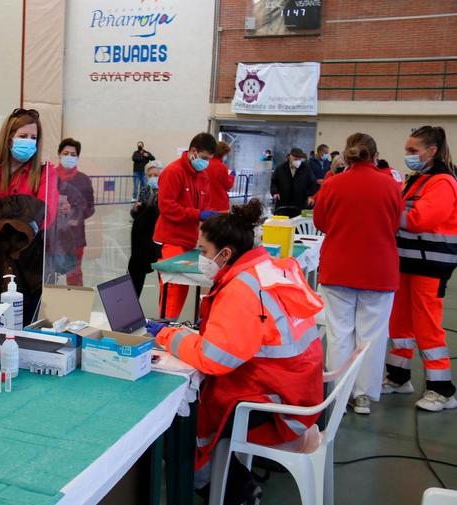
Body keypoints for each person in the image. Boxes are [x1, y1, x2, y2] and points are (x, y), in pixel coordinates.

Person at [149, 199, 323, 503]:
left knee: (179, 421)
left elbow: (214, 359)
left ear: (225, 253)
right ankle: (232, 481)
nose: (201, 258)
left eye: (203, 251)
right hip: (298, 391)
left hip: (272, 405)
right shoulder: (266, 268)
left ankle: (230, 491)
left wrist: (167, 335)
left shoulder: (241, 288)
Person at [313, 133, 402, 415]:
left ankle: (339, 393)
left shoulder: (332, 184)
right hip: (379, 269)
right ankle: (363, 395)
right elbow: (395, 224)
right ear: (375, 156)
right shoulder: (391, 185)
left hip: (338, 268)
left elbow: (320, 222)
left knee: (339, 334)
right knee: (372, 337)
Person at [384, 126, 457, 412]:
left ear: (432, 151)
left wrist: (388, 211)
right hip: (406, 262)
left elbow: (419, 219)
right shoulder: (418, 180)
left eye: (413, 151)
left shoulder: (443, 182)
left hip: (431, 264)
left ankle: (442, 389)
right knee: (399, 323)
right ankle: (399, 377)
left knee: (427, 325)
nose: (408, 156)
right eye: (407, 150)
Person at [0, 108, 58, 325]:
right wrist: (21, 213)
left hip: (31, 268)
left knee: (26, 328)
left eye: (34, 137)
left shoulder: (46, 173)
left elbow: (44, 215)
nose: (29, 142)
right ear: (8, 138)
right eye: (23, 136)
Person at [153, 132, 214, 319]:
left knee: (184, 288)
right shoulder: (173, 172)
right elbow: (167, 207)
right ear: (193, 151)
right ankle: (164, 330)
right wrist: (197, 214)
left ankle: (170, 328)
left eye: (209, 160)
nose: (206, 163)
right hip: (170, 240)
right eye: (204, 158)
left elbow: (206, 205)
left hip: (189, 242)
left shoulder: (202, 176)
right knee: (172, 292)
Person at [53, 137, 95, 286]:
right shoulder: (49, 176)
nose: (69, 157)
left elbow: (90, 207)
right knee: (49, 274)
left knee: (74, 275)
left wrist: (75, 212)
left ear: (78, 157)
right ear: (59, 154)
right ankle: (48, 307)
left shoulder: (83, 180)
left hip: (75, 236)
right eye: (66, 153)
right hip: (52, 235)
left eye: (73, 154)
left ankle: (74, 308)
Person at [128, 160, 162, 296]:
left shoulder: (166, 191)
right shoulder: (144, 190)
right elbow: (135, 214)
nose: (153, 178)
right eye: (150, 175)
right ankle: (132, 304)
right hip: (142, 238)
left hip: (158, 237)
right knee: (136, 272)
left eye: (156, 175)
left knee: (163, 273)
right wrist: (135, 209)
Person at [270, 147, 317, 217]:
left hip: (300, 202)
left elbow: (312, 183)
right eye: (295, 159)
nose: (298, 161)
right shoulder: (281, 168)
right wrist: (275, 192)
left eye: (299, 159)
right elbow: (274, 182)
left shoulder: (306, 168)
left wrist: (310, 196)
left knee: (297, 225)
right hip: (283, 201)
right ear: (290, 157)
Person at [208, 141, 236, 213]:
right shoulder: (221, 167)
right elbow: (228, 185)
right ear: (222, 154)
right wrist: (232, 176)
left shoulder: (205, 163)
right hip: (219, 204)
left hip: (207, 203)